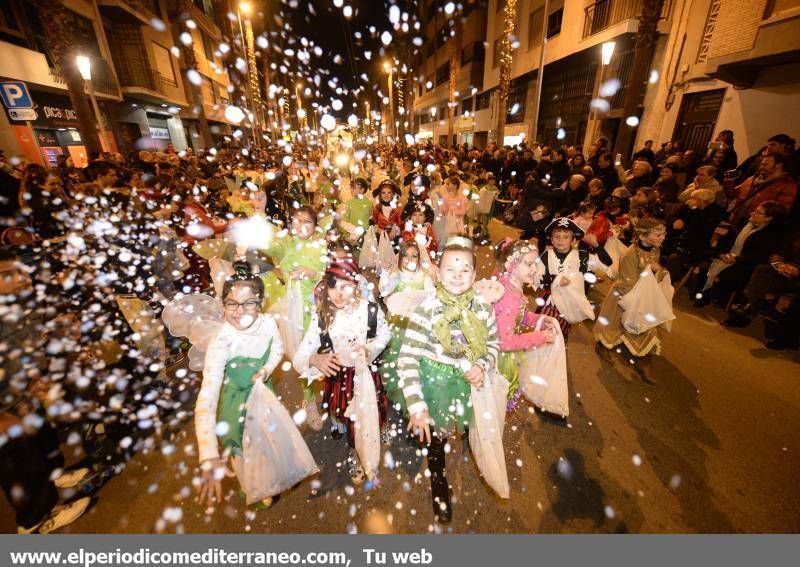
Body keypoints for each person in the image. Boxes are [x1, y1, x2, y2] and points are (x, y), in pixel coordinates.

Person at [397, 237, 501, 523]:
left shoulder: (483, 308)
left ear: (475, 274)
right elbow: (407, 358)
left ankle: (464, 437)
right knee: (436, 439)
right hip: (435, 385)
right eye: (450, 269)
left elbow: (493, 344)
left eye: (465, 269)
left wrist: (482, 364)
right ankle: (439, 483)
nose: (457, 275)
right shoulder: (427, 309)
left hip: (469, 384)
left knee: (466, 425)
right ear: (437, 273)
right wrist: (417, 405)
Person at [196, 264, 306, 509]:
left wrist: (266, 369)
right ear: (222, 304)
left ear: (260, 303)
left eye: (249, 303)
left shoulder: (267, 324)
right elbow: (207, 397)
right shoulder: (221, 342)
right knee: (247, 452)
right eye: (231, 303)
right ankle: (255, 487)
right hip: (236, 406)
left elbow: (278, 349)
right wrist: (208, 453)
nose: (239, 311)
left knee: (270, 438)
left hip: (264, 394)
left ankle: (276, 475)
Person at [292, 258, 391, 484]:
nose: (338, 293)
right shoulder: (322, 317)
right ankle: (354, 452)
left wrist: (370, 349)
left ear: (356, 285)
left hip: (366, 373)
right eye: (333, 285)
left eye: (346, 285)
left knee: (376, 406)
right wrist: (314, 358)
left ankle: (381, 425)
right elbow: (298, 357)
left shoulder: (371, 310)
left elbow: (385, 335)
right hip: (341, 378)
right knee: (349, 420)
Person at [260, 205, 330, 429]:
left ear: (315, 225)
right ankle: (309, 399)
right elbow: (267, 243)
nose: (301, 225)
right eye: (296, 221)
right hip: (295, 311)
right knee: (303, 354)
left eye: (307, 221)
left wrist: (313, 273)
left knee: (327, 353)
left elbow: (332, 273)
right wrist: (261, 210)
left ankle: (330, 393)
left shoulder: (322, 246)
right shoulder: (286, 245)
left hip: (321, 307)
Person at [594, 218, 672, 383]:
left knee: (647, 328)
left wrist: (659, 273)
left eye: (664, 234)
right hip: (625, 296)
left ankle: (644, 362)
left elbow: (653, 271)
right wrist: (648, 272)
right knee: (613, 327)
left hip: (643, 296)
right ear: (643, 236)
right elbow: (628, 282)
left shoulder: (655, 250)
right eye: (658, 234)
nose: (663, 237)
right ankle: (602, 346)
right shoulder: (630, 254)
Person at [491, 239, 563, 412]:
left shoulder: (512, 285)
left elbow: (519, 316)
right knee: (494, 406)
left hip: (502, 354)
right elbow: (504, 342)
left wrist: (539, 320)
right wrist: (541, 337)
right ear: (512, 264)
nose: (534, 269)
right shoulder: (508, 296)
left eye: (535, 264)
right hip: (497, 360)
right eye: (528, 264)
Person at [696, 201, 786, 308]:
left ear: (768, 218)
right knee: (706, 263)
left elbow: (759, 256)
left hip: (745, 264)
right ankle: (702, 294)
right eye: (755, 210)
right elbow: (726, 240)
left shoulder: (770, 235)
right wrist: (722, 254)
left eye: (758, 212)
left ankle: (713, 297)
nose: (752, 213)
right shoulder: (743, 223)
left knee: (726, 275)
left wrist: (736, 259)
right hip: (728, 255)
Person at [535, 218, 611, 340]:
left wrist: (597, 246)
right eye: (557, 237)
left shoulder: (582, 257)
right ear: (552, 239)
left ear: (573, 240)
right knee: (542, 334)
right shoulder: (546, 256)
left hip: (569, 306)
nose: (560, 240)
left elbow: (607, 263)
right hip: (550, 303)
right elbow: (537, 279)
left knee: (560, 336)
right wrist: (555, 279)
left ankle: (557, 356)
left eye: (566, 237)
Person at [728, 153, 797, 228]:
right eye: (761, 164)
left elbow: (780, 213)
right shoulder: (752, 179)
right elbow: (732, 194)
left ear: (778, 165)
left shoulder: (787, 186)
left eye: (765, 165)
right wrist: (729, 180)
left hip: (754, 227)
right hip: (735, 223)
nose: (761, 167)